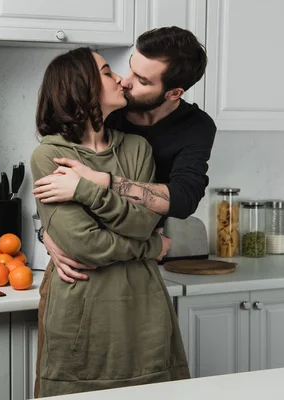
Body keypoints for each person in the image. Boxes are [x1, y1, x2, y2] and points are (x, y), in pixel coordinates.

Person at [30, 47, 190, 398]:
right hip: (82, 311)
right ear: (80, 86)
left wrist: (84, 189)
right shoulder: (49, 154)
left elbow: (143, 221)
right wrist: (151, 247)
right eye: (107, 72)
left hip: (144, 307)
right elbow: (83, 245)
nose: (121, 79)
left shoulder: (137, 148)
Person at [33, 26, 216, 283]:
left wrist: (103, 181)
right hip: (81, 269)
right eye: (131, 67)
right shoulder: (109, 108)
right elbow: (54, 173)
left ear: (174, 93)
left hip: (138, 265)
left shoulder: (194, 126)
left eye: (142, 80)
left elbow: (184, 198)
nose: (126, 80)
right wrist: (49, 233)